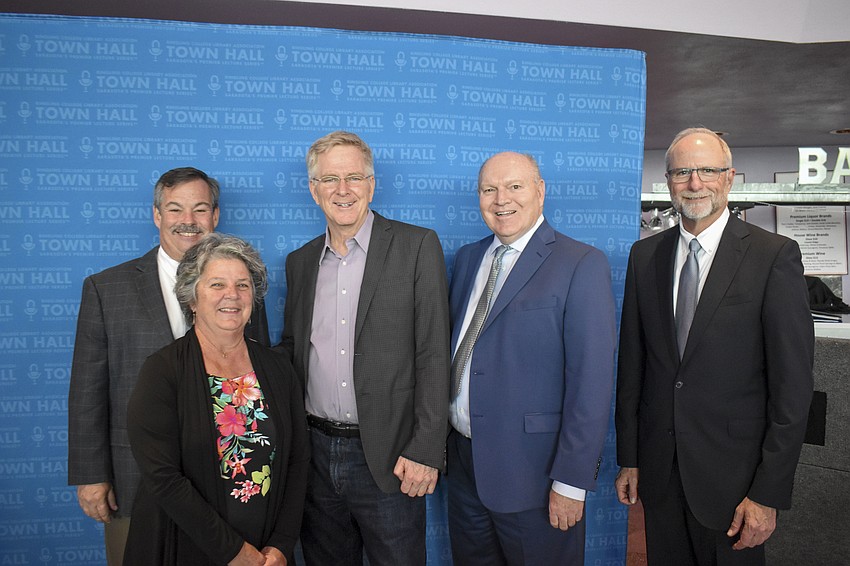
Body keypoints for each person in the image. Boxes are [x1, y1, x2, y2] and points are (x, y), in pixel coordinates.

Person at [615, 128, 814, 566]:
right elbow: (634, 367)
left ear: (730, 178)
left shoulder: (773, 256)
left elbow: (793, 389)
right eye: (683, 172)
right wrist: (629, 457)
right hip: (661, 474)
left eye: (707, 170)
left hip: (736, 487)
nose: (694, 183)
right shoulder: (643, 257)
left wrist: (768, 492)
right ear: (667, 181)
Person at [68, 167, 270, 565]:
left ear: (215, 216)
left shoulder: (243, 289)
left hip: (231, 477)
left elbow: (258, 379)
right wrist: (91, 474)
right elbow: (87, 390)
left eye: (199, 209)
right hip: (136, 476)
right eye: (175, 209)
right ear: (156, 215)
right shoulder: (106, 289)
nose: (188, 221)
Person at [279, 130, 450, 566]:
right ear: (313, 189)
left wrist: (426, 448)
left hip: (390, 455)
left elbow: (433, 353)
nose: (343, 189)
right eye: (330, 179)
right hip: (314, 454)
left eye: (355, 177)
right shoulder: (299, 262)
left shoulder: (416, 246)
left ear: (372, 185)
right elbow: (294, 352)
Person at [447, 151, 617, 565]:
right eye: (489, 189)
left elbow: (591, 384)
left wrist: (571, 483)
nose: (500, 199)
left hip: (536, 476)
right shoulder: (469, 258)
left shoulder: (581, 263)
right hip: (465, 467)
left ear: (540, 192)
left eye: (514, 186)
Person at [124, 233, 309, 565]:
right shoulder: (163, 371)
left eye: (242, 285)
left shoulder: (278, 368)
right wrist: (236, 553)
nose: (232, 296)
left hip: (268, 553)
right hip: (188, 547)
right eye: (217, 285)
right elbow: (164, 478)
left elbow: (297, 462)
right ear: (192, 298)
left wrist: (281, 545)